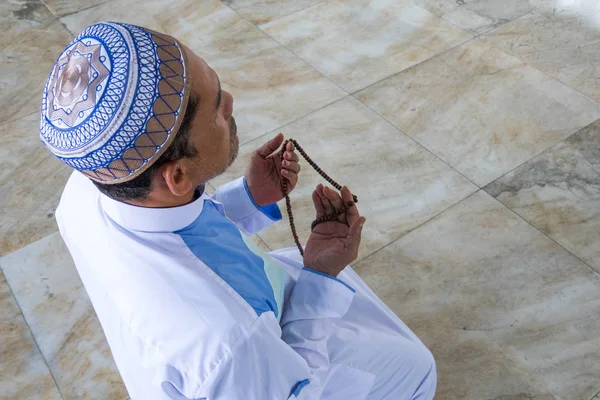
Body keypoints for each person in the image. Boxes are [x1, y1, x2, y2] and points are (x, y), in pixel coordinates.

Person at [40, 22, 436, 400]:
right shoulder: (229, 341)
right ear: (177, 175)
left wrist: (250, 196)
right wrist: (320, 276)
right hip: (257, 367)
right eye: (216, 109)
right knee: (417, 369)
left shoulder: (88, 189)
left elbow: (179, 231)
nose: (230, 103)